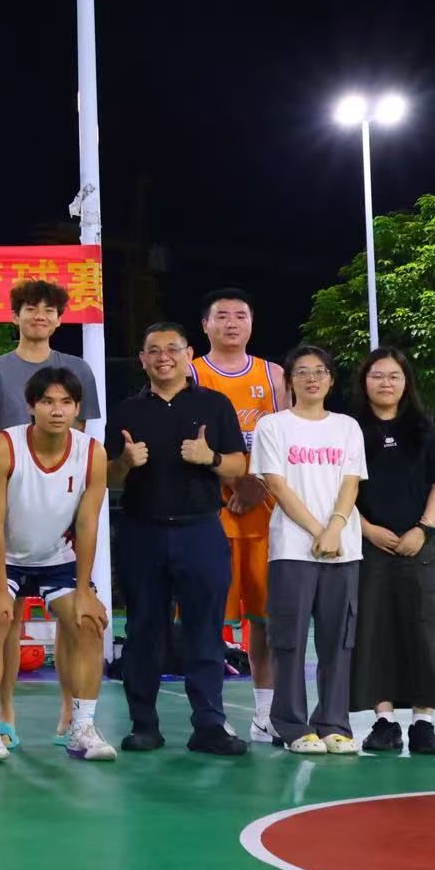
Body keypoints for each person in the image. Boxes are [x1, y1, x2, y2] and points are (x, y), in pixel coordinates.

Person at [106, 323, 249, 756]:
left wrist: (211, 457)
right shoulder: (127, 410)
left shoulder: (214, 404)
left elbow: (239, 466)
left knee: (205, 629)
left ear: (188, 354)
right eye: (154, 350)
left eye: (172, 348)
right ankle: (144, 724)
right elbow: (108, 476)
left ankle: (209, 725)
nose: (163, 357)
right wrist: (125, 462)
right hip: (142, 531)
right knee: (143, 630)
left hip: (200, 529)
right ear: (142, 359)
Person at [0, 279, 103, 747]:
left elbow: (79, 471)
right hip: (6, 527)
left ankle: (77, 719)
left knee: (85, 621)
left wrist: (85, 586)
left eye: (49, 310)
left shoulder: (79, 379)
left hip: (55, 540)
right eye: (30, 308)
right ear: (16, 316)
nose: (39, 316)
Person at [251, 346, 366, 756]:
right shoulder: (273, 426)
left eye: (320, 371)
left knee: (339, 641)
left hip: (343, 549)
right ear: (289, 381)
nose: (312, 378)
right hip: (292, 549)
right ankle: (291, 725)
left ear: (331, 380)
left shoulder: (348, 427)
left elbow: (351, 482)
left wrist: (334, 528)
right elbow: (277, 485)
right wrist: (318, 531)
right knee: (289, 640)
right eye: (302, 372)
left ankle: (334, 723)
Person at [190, 289, 288, 742]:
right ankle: (212, 713)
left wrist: (258, 486)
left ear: (251, 323)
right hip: (210, 511)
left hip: (266, 512)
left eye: (240, 315)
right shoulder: (191, 373)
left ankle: (266, 713)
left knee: (266, 620)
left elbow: (287, 440)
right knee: (209, 619)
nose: (231, 323)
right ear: (206, 325)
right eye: (222, 315)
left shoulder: (273, 375)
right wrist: (233, 483)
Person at [351, 348, 435, 754]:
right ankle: (384, 722)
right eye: (377, 376)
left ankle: (424, 723)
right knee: (374, 631)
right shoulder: (350, 429)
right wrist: (366, 529)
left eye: (394, 376)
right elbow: (339, 487)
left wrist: (423, 528)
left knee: (425, 632)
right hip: (369, 546)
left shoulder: (426, 429)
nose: (385, 383)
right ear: (364, 381)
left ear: (406, 383)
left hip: (421, 545)